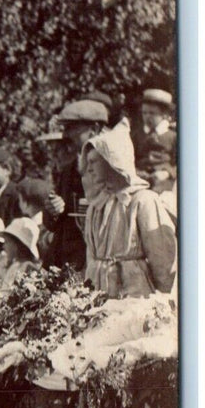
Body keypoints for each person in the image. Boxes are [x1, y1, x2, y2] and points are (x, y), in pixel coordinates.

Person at [81, 124, 176, 298]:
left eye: (93, 161)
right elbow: (90, 259)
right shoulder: (96, 207)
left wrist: (163, 302)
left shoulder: (143, 201)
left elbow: (163, 260)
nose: (89, 169)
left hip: (134, 299)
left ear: (112, 161)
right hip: (98, 299)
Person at [42, 99, 107, 272]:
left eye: (73, 129)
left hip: (99, 260)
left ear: (94, 129)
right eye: (66, 129)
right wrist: (53, 210)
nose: (66, 135)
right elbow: (54, 224)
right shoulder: (69, 170)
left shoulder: (112, 169)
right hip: (70, 261)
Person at [132, 88, 176, 182]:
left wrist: (167, 173)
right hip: (140, 177)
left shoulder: (172, 136)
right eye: (144, 113)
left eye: (152, 113)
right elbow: (131, 156)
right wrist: (136, 171)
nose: (147, 116)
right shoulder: (137, 134)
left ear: (164, 114)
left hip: (163, 179)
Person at [0, 217, 42, 287]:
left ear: (17, 245)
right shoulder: (14, 266)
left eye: (7, 242)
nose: (3, 246)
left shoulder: (28, 268)